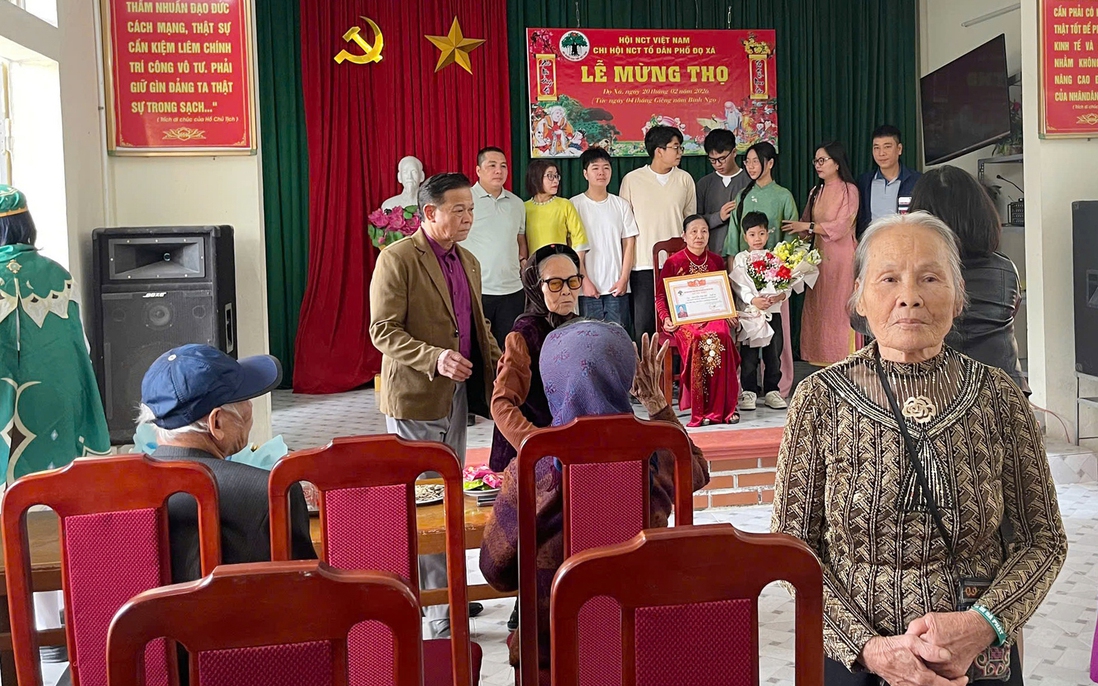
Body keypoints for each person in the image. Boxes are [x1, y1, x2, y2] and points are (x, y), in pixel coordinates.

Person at [772, 212, 1067, 685]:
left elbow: (1044, 539)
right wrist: (869, 648)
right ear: (859, 295)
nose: (909, 296)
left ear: (958, 295)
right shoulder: (820, 399)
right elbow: (792, 550)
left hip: (976, 657)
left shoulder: (997, 395)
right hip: (857, 661)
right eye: (889, 279)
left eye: (930, 278)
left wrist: (982, 624)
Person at [481, 324, 711, 684]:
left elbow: (495, 571)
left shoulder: (533, 468)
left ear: (552, 381)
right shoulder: (660, 456)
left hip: (553, 658)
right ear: (624, 376)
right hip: (640, 653)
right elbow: (697, 470)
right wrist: (658, 406)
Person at [369, 172, 502, 637]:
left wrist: (503, 368)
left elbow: (478, 326)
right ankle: (439, 614)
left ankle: (450, 593)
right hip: (416, 395)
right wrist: (435, 357)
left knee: (450, 495)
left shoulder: (468, 261)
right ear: (430, 212)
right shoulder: (397, 258)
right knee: (426, 502)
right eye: (458, 209)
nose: (468, 217)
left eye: (471, 209)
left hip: (457, 394)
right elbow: (382, 330)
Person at [137, 344, 316, 582]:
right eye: (244, 399)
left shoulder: (115, 493)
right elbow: (304, 590)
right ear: (217, 423)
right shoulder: (273, 494)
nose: (250, 407)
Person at [0, 185, 110, 484]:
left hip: (5, 398)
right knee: (51, 487)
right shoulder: (58, 274)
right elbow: (78, 345)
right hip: (56, 395)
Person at [909, 165, 1029, 394]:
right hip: (1004, 391)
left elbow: (867, 322)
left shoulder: (913, 275)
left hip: (937, 393)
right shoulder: (1006, 269)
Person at [655, 215, 741, 426]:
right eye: (694, 231)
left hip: (713, 316)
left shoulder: (716, 261)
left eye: (704, 231)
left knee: (722, 335)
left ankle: (727, 408)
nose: (699, 236)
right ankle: (701, 409)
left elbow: (723, 293)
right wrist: (665, 318)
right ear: (684, 235)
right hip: (685, 320)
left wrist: (729, 311)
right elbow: (660, 297)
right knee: (696, 339)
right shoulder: (673, 262)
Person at [784, 141, 859, 367]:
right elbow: (805, 225)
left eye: (822, 160)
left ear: (837, 163)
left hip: (842, 259)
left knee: (840, 307)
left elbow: (842, 226)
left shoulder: (849, 190)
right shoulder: (816, 191)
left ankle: (844, 360)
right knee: (819, 308)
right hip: (818, 259)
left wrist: (807, 227)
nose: (818, 165)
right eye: (816, 161)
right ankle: (820, 361)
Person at [619, 125, 697, 342]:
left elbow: (691, 222)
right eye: (675, 147)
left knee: (679, 324)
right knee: (644, 326)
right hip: (643, 264)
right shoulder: (632, 180)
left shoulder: (685, 179)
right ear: (659, 151)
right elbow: (625, 228)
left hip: (677, 264)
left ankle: (679, 364)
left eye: (680, 148)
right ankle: (645, 365)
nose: (680, 152)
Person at [463, 147, 528, 349]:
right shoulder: (465, 200)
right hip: (477, 290)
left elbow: (520, 239)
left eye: (503, 166)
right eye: (492, 165)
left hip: (512, 290)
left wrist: (522, 261)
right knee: (475, 350)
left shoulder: (517, 203)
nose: (498, 171)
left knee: (508, 351)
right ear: (478, 170)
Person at [570, 147, 638, 329]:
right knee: (590, 338)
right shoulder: (573, 205)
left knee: (618, 338)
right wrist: (584, 280)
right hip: (586, 289)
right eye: (595, 168)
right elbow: (571, 248)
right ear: (585, 174)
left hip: (616, 288)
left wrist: (624, 279)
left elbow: (629, 243)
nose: (601, 172)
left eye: (606, 167)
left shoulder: (621, 205)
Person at [729, 211, 788, 411]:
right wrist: (753, 299)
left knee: (773, 353)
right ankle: (749, 392)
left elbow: (786, 282)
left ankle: (772, 391)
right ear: (745, 236)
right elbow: (738, 285)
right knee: (749, 355)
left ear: (768, 234)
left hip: (773, 312)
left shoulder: (774, 257)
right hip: (751, 314)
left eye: (761, 234)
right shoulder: (741, 258)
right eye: (752, 234)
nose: (757, 239)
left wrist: (779, 296)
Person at [720, 141, 798, 259]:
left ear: (770, 163)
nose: (750, 166)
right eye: (747, 161)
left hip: (776, 265)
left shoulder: (784, 196)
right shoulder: (742, 195)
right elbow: (733, 236)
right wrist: (732, 265)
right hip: (744, 265)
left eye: (755, 161)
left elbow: (790, 237)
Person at [855, 125, 921, 238]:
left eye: (887, 147)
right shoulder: (864, 182)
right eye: (876, 148)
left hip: (905, 242)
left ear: (899, 149)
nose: (881, 153)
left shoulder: (917, 181)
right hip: (872, 243)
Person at [697, 129, 751, 254]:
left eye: (722, 159)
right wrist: (718, 217)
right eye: (712, 160)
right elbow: (695, 220)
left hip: (743, 254)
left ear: (734, 152)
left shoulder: (749, 181)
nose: (718, 164)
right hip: (711, 254)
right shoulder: (704, 184)